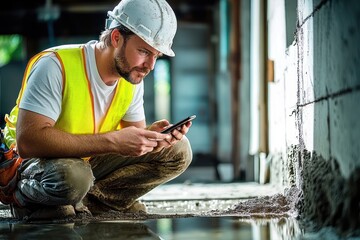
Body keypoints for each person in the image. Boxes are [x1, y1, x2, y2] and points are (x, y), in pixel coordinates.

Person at [0, 0, 193, 220]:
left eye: (156, 56)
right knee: (72, 177)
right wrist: (113, 141)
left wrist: (154, 138)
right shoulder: (55, 66)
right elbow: (28, 142)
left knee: (178, 151)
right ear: (116, 37)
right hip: (33, 165)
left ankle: (90, 203)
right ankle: (25, 199)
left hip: (87, 163)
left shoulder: (131, 78)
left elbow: (133, 143)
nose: (150, 65)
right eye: (143, 51)